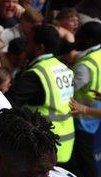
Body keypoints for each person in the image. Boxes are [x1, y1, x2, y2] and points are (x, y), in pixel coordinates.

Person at [6, 24, 75, 165]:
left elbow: (7, 103)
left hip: (44, 147)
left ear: (40, 47)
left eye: (29, 41)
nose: (25, 45)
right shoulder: (62, 68)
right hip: (65, 142)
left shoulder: (36, 74)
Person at [68, 21, 101, 177]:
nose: (76, 39)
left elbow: (68, 91)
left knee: (86, 163)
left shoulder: (85, 65)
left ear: (89, 39)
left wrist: (84, 110)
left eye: (79, 36)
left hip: (84, 120)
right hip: (92, 117)